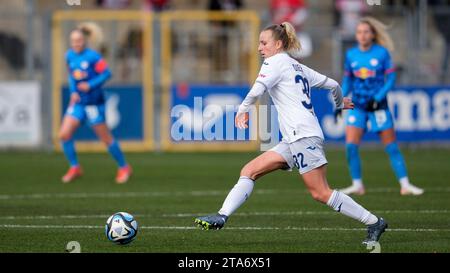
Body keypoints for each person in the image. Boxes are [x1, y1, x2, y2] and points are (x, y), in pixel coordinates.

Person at [195, 22, 388, 245]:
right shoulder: (297, 67)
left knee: (320, 193)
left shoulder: (274, 62)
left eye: (263, 43)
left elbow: (258, 89)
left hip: (303, 136)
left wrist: (242, 110)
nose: (259, 48)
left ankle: (374, 222)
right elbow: (334, 85)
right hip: (294, 138)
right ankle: (222, 215)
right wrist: (339, 103)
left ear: (278, 44)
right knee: (249, 170)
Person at [336, 17, 424, 196]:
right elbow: (348, 80)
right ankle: (357, 184)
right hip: (358, 106)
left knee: (391, 146)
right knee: (351, 146)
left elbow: (391, 79)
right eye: (359, 32)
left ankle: (405, 185)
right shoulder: (351, 54)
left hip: (378, 107)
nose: (362, 35)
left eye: (366, 32)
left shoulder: (382, 53)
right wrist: (341, 99)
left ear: (373, 34)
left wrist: (378, 97)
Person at [59, 23, 132, 184]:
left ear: (84, 41)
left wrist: (90, 85)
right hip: (79, 103)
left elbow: (107, 73)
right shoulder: (69, 55)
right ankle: (75, 167)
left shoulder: (93, 56)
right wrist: (73, 92)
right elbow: (72, 76)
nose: (76, 43)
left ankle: (124, 167)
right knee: (64, 134)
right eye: (73, 41)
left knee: (105, 138)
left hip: (93, 103)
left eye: (79, 40)